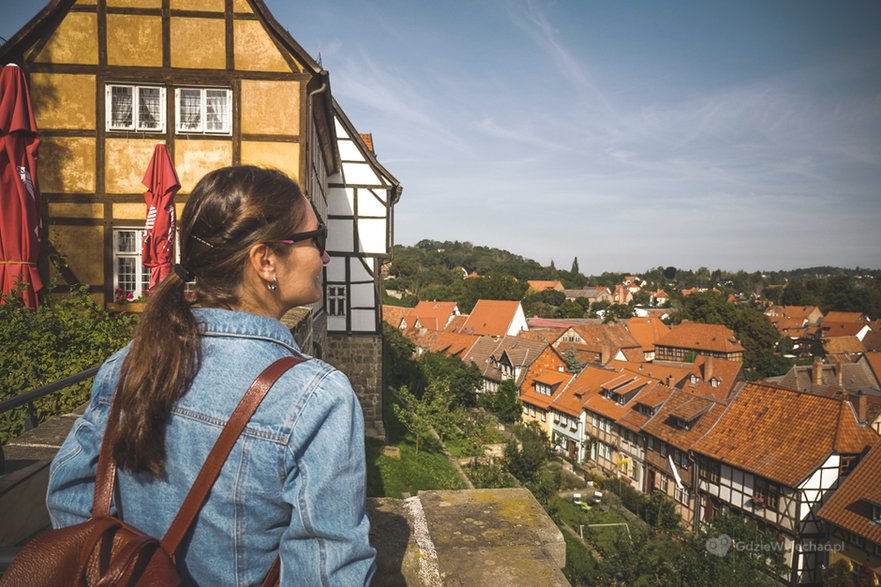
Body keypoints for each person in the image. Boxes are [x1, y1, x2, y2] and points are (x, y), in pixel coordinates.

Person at [46, 166, 376, 585]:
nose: (325, 255)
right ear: (266, 260)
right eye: (318, 239)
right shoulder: (316, 396)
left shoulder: (129, 363)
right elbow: (328, 573)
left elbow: (72, 500)